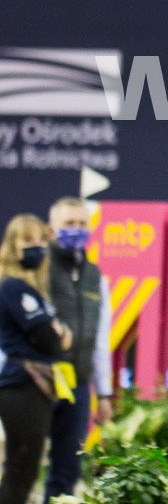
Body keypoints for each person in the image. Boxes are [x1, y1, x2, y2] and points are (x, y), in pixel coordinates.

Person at [44, 197, 114, 503]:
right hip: (38, 381)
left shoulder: (95, 277)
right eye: (69, 224)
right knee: (22, 466)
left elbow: (100, 340)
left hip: (78, 384)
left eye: (82, 224)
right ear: (51, 229)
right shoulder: (37, 270)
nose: (76, 229)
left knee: (67, 471)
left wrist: (105, 393)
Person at [0, 214, 72, 504]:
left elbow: (56, 339)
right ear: (12, 246)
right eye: (28, 240)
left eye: (42, 240)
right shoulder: (13, 288)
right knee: (21, 468)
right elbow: (51, 341)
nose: (37, 247)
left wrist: (58, 334)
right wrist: (58, 334)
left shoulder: (35, 291)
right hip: (21, 386)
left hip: (32, 387)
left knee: (24, 470)